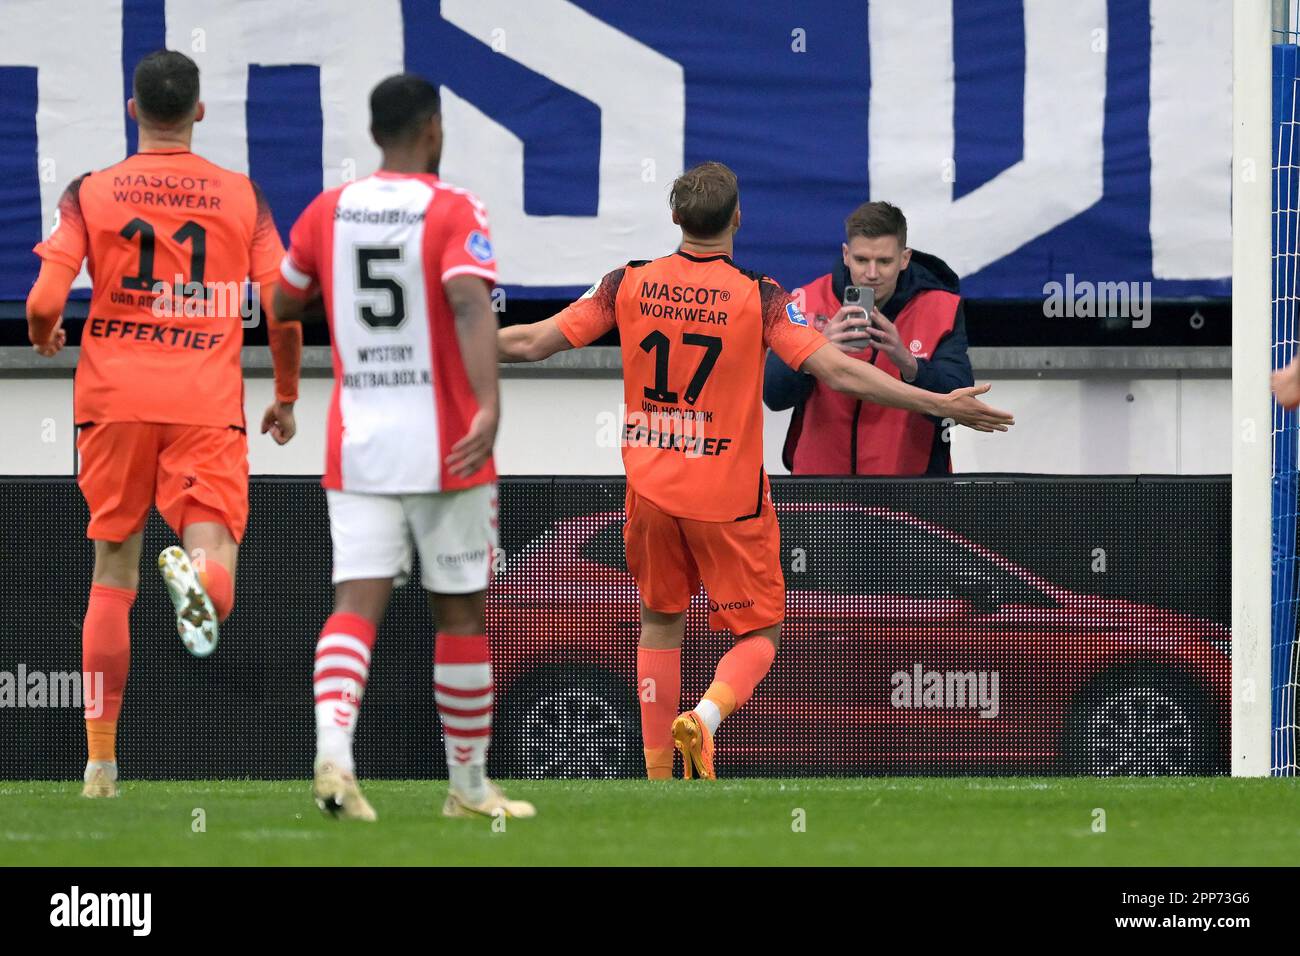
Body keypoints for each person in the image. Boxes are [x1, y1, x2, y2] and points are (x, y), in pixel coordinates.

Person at [498, 162, 1013, 780]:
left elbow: (530, 342)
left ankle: (658, 777)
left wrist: (452, 343)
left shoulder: (626, 283)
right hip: (728, 500)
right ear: (738, 219)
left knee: (660, 624)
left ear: (675, 218)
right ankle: (706, 717)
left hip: (650, 494)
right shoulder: (761, 296)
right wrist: (940, 402)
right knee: (761, 633)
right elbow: (839, 372)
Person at [25, 50, 302, 799]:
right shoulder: (242, 195)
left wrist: (45, 333)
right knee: (217, 561)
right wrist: (284, 393)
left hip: (113, 401)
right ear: (199, 112)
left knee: (112, 574)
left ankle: (100, 765)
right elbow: (282, 310)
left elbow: (45, 300)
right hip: (203, 404)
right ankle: (197, 576)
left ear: (133, 110)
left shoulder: (91, 191)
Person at [273, 73, 533, 822]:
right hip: (447, 445)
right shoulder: (454, 208)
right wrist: (489, 405)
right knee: (460, 615)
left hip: (358, 443)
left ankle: (334, 754)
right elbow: (469, 302)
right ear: (434, 129)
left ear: (373, 133)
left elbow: (282, 299)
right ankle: (470, 789)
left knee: (355, 604)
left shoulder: (328, 210)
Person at [764, 201, 974, 474]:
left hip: (909, 488)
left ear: (905, 259)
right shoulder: (806, 301)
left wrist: (909, 363)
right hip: (820, 487)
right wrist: (815, 351)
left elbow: (958, 407)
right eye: (862, 260)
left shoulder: (941, 308)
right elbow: (773, 396)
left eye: (884, 261)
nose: (872, 274)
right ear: (846, 254)